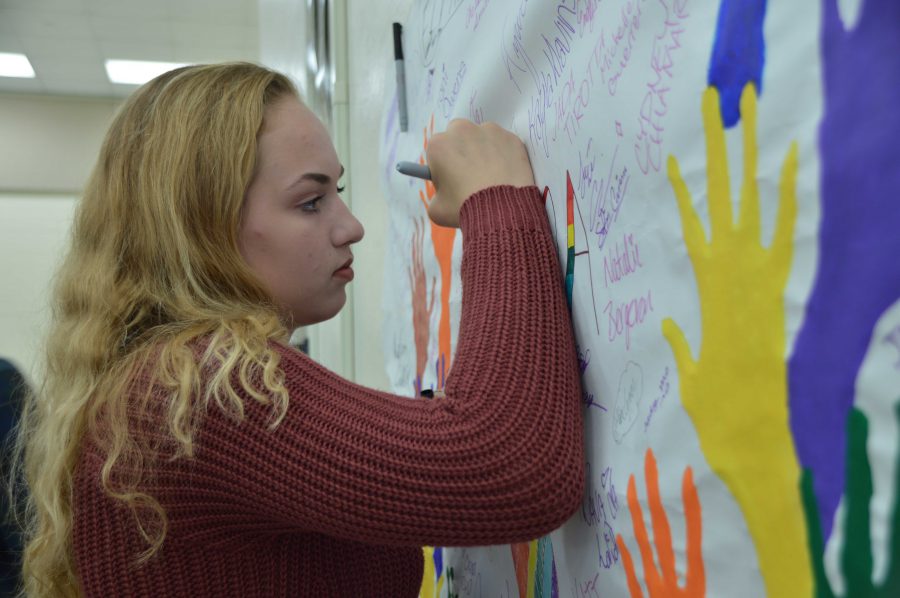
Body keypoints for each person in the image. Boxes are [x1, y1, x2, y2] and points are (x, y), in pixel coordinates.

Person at [14, 62, 583, 597]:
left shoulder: (159, 385)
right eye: (310, 202)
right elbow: (510, 469)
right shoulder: (203, 388)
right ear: (203, 226)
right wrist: (497, 200)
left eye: (337, 191)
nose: (351, 226)